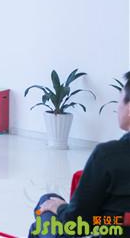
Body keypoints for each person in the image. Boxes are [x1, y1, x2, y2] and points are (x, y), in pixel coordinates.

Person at [28, 71, 130, 237]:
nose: (118, 106)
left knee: (45, 206)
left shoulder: (108, 156)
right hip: (113, 223)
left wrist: (60, 208)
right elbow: (116, 219)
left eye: (120, 99)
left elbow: (77, 225)